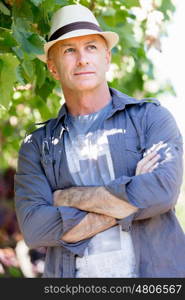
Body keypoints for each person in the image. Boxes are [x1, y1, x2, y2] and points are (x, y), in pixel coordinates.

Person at [14, 4, 185, 278]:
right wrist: (129, 198)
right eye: (69, 50)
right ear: (53, 68)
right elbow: (35, 228)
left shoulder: (151, 119)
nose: (82, 59)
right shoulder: (37, 145)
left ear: (107, 57)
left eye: (91, 47)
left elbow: (161, 191)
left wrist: (67, 198)